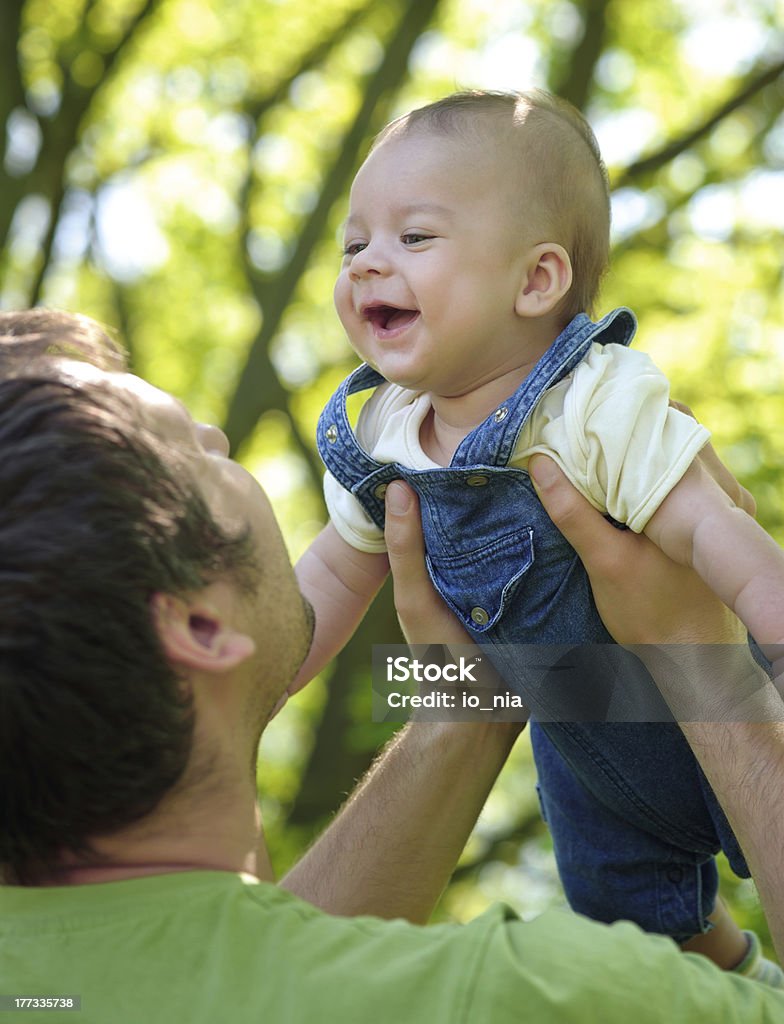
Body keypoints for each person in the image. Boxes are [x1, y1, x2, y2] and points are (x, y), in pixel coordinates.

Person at [0, 310, 783, 1021]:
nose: (221, 437)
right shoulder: (532, 997)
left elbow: (251, 963)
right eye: (194, 449)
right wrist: (707, 666)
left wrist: (463, 705)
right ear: (204, 626)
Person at [293, 88, 784, 976]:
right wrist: (268, 677)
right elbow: (330, 579)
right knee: (626, 919)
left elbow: (708, 522)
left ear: (536, 280)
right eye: (354, 243)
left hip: (701, 698)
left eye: (414, 238)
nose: (366, 264)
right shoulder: (382, 438)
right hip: (565, 725)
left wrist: (770, 608)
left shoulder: (591, 400)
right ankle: (729, 965)